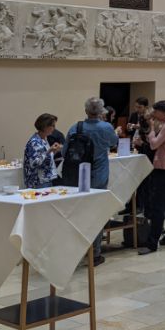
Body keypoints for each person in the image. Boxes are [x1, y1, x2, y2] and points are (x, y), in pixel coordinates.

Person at [64, 97, 119, 266]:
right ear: (101, 111)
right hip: (98, 175)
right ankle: (94, 253)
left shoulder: (76, 127)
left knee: (76, 213)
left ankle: (73, 249)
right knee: (96, 214)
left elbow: (65, 150)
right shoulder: (106, 127)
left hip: (77, 175)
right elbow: (113, 143)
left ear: (86, 110)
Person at [138, 100, 165, 254]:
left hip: (163, 168)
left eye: (155, 112)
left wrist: (150, 130)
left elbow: (154, 144)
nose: (153, 114)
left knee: (157, 206)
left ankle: (152, 243)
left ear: (163, 112)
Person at [23, 113, 61, 188]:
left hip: (45, 179)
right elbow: (34, 163)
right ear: (45, 127)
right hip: (38, 182)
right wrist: (49, 151)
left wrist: (54, 151)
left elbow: (45, 157)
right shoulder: (34, 142)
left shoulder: (44, 140)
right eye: (52, 126)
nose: (54, 128)